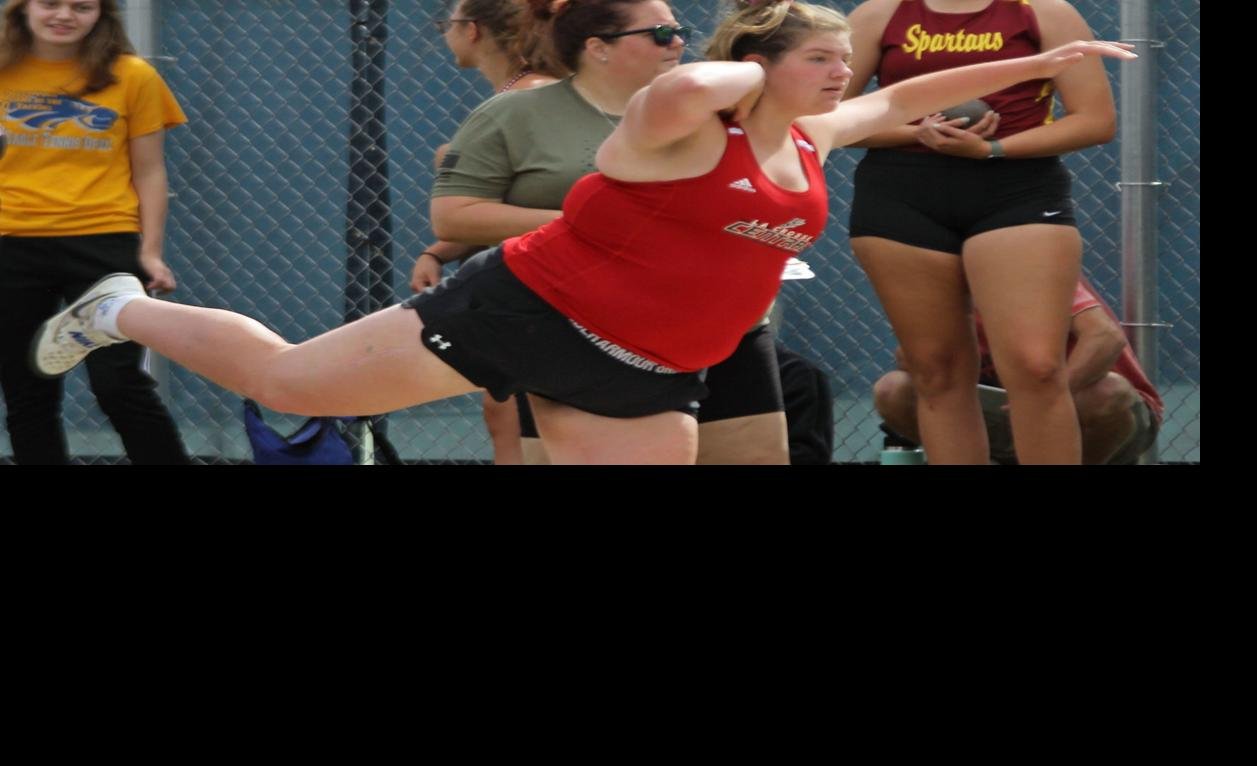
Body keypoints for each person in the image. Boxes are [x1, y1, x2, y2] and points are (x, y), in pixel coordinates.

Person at [28, 0, 1134, 465]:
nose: (841, 73)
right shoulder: (670, 123)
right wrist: (748, 62)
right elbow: (687, 81)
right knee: (293, 386)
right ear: (758, 63)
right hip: (522, 310)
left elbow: (893, 105)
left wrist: (1036, 66)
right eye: (818, 58)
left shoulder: (814, 137)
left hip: (650, 369)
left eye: (838, 64)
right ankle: (119, 310)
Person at [432, 0, 800, 465]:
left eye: (679, 30)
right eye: (661, 34)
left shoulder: (717, 110)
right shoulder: (516, 112)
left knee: (756, 457)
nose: (680, 42)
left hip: (719, 324)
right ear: (598, 48)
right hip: (580, 328)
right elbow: (454, 215)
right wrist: (602, 225)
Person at [843, 0, 1119, 464]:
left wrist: (992, 149)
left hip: (1016, 190)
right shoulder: (879, 14)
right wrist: (918, 132)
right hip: (902, 195)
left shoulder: (1044, 12)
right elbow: (829, 117)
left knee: (1037, 368)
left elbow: (1095, 120)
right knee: (936, 371)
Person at [0, 0, 189, 464]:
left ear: (102, 15)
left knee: (120, 384)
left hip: (104, 245)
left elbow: (149, 173)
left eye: (81, 7)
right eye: (50, 4)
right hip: (11, 245)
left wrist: (150, 253)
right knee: (27, 390)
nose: (64, 16)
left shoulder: (133, 76)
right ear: (22, 9)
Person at [413, 0, 562, 464]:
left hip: (549, 294)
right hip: (531, 287)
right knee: (504, 414)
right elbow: (512, 202)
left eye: (448, 23)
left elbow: (552, 202)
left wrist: (449, 165)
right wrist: (438, 253)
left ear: (472, 30)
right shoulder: (521, 95)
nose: (445, 33)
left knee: (520, 422)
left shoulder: (528, 98)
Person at [874, 277, 1162, 464]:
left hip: (1098, 415)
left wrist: (1047, 397)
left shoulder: (1028, 265)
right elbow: (911, 361)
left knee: (1107, 392)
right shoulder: (936, 282)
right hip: (1008, 410)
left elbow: (1105, 337)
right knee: (894, 391)